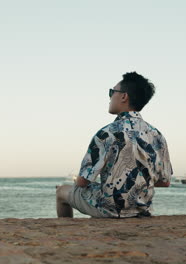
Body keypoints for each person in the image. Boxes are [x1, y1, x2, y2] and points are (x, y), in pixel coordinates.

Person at [56, 72, 173, 218]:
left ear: (124, 96)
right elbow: (165, 182)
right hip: (141, 208)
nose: (110, 97)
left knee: (61, 192)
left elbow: (82, 181)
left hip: (111, 209)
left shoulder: (106, 133)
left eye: (112, 92)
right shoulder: (157, 135)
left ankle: (67, 232)